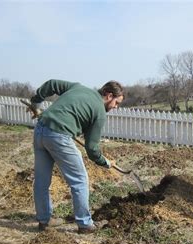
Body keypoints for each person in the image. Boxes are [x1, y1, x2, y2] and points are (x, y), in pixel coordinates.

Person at [27, 79, 125, 234]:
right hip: (59, 136)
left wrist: (36, 101)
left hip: (40, 130)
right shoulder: (99, 111)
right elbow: (92, 149)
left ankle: (44, 221)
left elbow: (52, 84)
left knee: (41, 180)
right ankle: (85, 224)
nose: (116, 107)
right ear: (108, 95)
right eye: (116, 103)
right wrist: (105, 162)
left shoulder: (77, 87)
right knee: (79, 180)